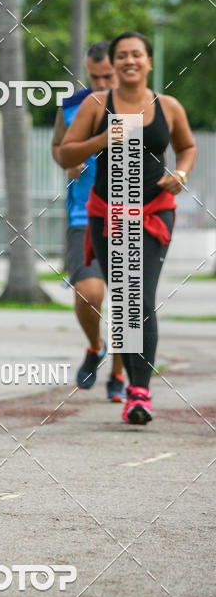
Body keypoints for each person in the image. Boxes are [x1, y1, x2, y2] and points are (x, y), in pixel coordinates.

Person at [59, 31, 196, 425]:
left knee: (141, 297)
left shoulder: (168, 106)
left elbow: (187, 147)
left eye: (137, 54)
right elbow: (67, 153)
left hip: (153, 211)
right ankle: (127, 381)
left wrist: (181, 173)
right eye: (122, 55)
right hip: (107, 214)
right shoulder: (96, 104)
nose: (129, 61)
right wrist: (103, 138)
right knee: (121, 299)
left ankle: (140, 391)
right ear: (114, 63)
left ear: (148, 61)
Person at [52, 42, 125, 400]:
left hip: (130, 217)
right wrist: (67, 162)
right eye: (94, 77)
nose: (101, 84)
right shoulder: (71, 107)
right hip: (84, 215)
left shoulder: (143, 106)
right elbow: (57, 147)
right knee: (89, 293)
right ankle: (96, 345)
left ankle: (121, 376)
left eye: (107, 76)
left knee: (127, 301)